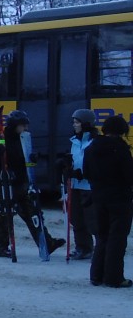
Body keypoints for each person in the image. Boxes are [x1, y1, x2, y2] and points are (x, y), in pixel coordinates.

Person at [0, 109, 65, 259]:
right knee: (5, 214)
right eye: (23, 125)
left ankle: (46, 242)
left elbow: (26, 160)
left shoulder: (24, 139)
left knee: (32, 212)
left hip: (22, 182)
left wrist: (33, 158)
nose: (25, 128)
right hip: (5, 184)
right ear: (14, 125)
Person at [82, 115, 133, 288]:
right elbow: (129, 176)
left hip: (98, 198)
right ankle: (114, 278)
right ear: (121, 131)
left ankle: (96, 276)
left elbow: (86, 172)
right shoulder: (120, 149)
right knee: (117, 239)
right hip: (119, 199)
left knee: (102, 237)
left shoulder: (91, 148)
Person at [58, 109, 98, 260]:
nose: (74, 125)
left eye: (77, 122)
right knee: (76, 219)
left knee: (92, 220)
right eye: (74, 122)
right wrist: (66, 168)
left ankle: (100, 247)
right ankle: (83, 247)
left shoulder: (94, 141)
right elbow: (75, 161)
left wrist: (85, 173)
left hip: (89, 187)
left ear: (86, 123)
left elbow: (96, 164)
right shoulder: (74, 141)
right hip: (74, 185)